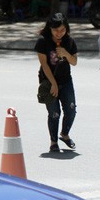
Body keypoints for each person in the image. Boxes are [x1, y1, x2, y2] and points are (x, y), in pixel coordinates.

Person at [36, 13, 78, 152]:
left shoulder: (69, 41)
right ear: (50, 29)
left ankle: (64, 134)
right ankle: (53, 142)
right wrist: (53, 84)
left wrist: (66, 53)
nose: (59, 33)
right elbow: (44, 64)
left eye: (62, 30)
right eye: (56, 30)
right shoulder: (43, 41)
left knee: (71, 110)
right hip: (49, 81)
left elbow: (74, 62)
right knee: (54, 113)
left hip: (66, 81)